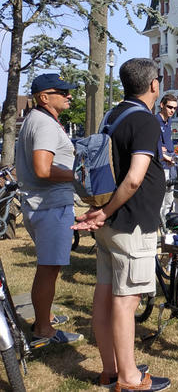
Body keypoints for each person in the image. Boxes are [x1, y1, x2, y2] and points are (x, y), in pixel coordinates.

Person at [73, 58, 169, 391]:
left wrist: (102, 213)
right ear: (153, 84)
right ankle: (129, 379)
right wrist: (105, 211)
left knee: (105, 294)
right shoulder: (145, 121)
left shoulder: (111, 116)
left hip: (110, 224)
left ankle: (111, 370)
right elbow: (133, 179)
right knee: (126, 301)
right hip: (132, 224)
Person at [15, 73, 83, 348]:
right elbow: (43, 169)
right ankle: (43, 329)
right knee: (49, 269)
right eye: (63, 92)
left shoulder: (39, 120)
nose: (69, 95)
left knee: (47, 267)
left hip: (41, 205)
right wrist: (77, 175)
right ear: (44, 97)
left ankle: (46, 315)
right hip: (49, 207)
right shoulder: (43, 124)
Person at [157, 94, 178, 225]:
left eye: (175, 108)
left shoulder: (168, 122)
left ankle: (165, 224)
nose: (172, 110)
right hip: (162, 165)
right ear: (162, 105)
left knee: (170, 197)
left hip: (171, 163)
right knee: (161, 197)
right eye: (170, 107)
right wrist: (162, 153)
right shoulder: (155, 121)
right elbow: (155, 142)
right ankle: (159, 224)